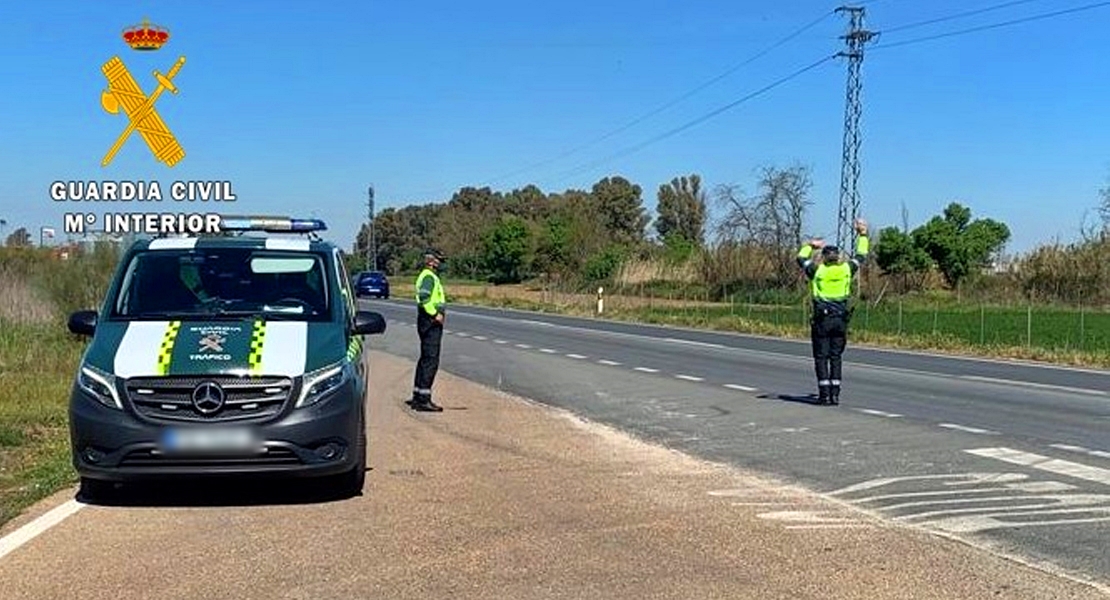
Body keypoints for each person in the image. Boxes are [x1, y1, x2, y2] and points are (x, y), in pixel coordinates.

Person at [796, 219, 870, 405]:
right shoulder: (846, 270)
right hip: (840, 320)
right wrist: (862, 234)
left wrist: (810, 245)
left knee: (821, 357)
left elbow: (801, 259)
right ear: (838, 257)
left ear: (823, 258)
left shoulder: (818, 271)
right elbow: (861, 255)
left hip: (822, 320)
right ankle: (835, 394)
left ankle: (824, 394)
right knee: (836, 357)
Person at [409, 250, 447, 412]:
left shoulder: (428, 276)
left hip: (426, 320)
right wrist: (435, 314)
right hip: (430, 321)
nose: (441, 263)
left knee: (425, 359)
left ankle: (418, 395)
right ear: (431, 262)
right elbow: (424, 298)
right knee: (431, 359)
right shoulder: (429, 277)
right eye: (439, 260)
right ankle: (424, 399)